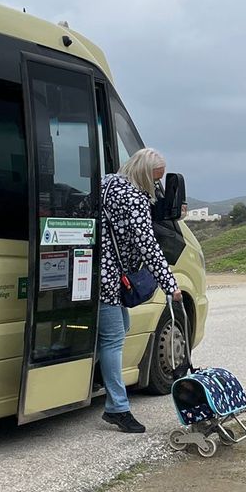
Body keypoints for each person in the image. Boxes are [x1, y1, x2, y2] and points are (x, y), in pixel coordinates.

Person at [98, 147, 182, 433]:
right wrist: (171, 285)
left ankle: (102, 387)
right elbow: (148, 246)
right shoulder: (133, 198)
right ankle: (117, 408)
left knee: (120, 327)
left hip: (97, 270)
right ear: (144, 174)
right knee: (112, 339)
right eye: (154, 179)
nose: (156, 185)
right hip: (107, 278)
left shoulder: (107, 182)